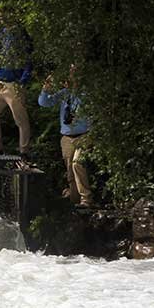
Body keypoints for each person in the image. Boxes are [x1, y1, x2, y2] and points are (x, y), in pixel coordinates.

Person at [39, 68, 93, 207]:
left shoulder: (87, 93)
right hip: (67, 137)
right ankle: (75, 201)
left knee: (77, 163)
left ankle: (86, 199)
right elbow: (44, 103)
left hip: (84, 135)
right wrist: (46, 88)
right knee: (70, 170)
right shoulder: (65, 94)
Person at [0, 22, 33, 156]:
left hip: (14, 83)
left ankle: (24, 151)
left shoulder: (21, 33)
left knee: (20, 118)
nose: (3, 17)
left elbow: (29, 56)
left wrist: (23, 80)